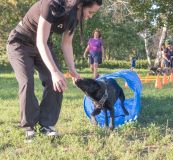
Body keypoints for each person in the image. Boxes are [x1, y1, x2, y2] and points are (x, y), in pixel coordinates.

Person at [6, 0, 102, 141]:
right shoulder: (51, 4)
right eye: (90, 12)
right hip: (20, 43)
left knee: (57, 82)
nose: (90, 16)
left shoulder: (74, 17)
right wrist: (54, 71)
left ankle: (46, 125)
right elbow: (41, 42)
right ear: (81, 5)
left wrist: (72, 70)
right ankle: (29, 127)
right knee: (27, 81)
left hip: (42, 47)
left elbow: (67, 44)